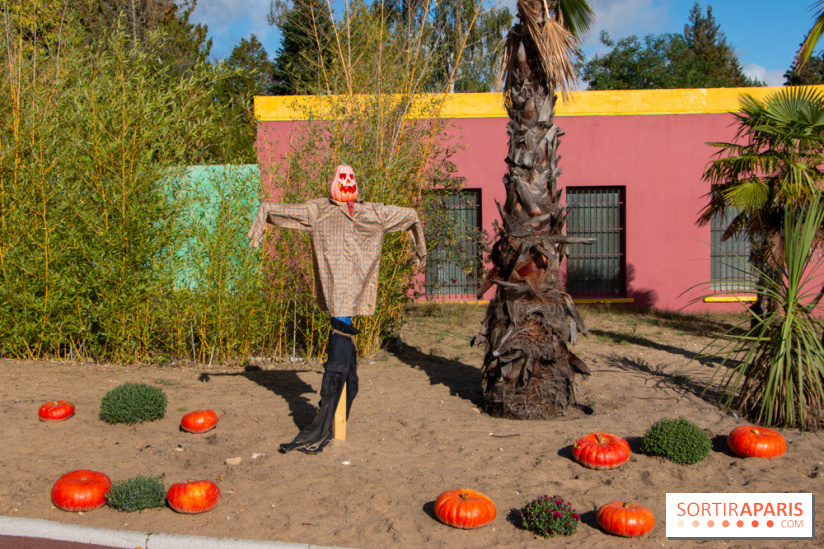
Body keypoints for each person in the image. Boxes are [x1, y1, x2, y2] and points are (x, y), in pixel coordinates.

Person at [247, 165, 426, 454]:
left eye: (350, 178)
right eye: (341, 179)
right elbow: (275, 209)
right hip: (336, 293)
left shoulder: (374, 212)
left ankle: (334, 418)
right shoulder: (319, 210)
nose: (346, 183)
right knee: (341, 351)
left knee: (348, 365)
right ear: (335, 182)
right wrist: (258, 230)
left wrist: (421, 252)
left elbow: (410, 216)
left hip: (359, 290)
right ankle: (328, 418)